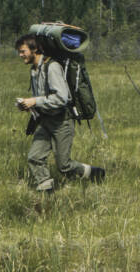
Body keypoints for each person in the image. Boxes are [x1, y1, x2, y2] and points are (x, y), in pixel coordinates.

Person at [15, 34, 105, 193]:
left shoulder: (52, 67)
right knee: (34, 158)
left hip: (62, 121)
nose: (20, 55)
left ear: (34, 49)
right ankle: (46, 192)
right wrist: (28, 106)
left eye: (23, 51)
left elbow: (61, 98)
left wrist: (35, 101)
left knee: (63, 166)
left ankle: (96, 174)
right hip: (45, 121)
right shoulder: (34, 69)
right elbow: (43, 97)